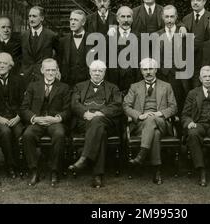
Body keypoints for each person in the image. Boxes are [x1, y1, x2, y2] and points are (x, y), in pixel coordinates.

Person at [68, 60, 123, 188]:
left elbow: (117, 106)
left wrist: (101, 113)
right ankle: (97, 175)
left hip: (105, 120)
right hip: (84, 121)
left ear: (104, 73)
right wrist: (85, 113)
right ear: (89, 72)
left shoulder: (113, 87)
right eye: (94, 71)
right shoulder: (79, 86)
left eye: (100, 71)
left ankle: (84, 158)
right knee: (100, 132)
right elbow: (74, 104)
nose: (97, 73)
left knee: (98, 122)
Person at [123, 58, 177, 185]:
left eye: (151, 69)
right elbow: (126, 106)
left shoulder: (166, 86)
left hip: (161, 121)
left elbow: (174, 107)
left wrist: (160, 113)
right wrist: (139, 115)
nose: (148, 72)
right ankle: (157, 170)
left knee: (152, 119)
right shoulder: (134, 87)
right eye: (145, 69)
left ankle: (141, 154)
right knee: (155, 133)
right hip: (140, 124)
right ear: (141, 71)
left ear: (156, 70)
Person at [20, 58, 70, 187]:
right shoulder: (33, 86)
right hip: (37, 121)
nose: (50, 72)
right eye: (48, 70)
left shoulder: (64, 87)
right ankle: (34, 171)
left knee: (59, 134)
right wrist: (35, 118)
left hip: (55, 122)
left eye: (53, 70)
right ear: (42, 70)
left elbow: (68, 110)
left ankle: (54, 171)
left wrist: (57, 118)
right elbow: (24, 108)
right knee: (27, 135)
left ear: (57, 70)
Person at [156, 5, 189, 112]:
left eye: (171, 16)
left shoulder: (184, 33)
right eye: (166, 17)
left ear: (176, 17)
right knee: (164, 105)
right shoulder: (157, 35)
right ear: (162, 17)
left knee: (179, 105)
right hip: (162, 76)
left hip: (179, 77)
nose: (169, 20)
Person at [106, 6, 141, 96]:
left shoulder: (139, 37)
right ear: (117, 19)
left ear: (132, 19)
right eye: (123, 16)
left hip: (133, 82)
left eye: (128, 17)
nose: (126, 20)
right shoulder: (109, 36)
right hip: (113, 82)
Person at [21, 6, 59, 86]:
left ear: (42, 18)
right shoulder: (23, 35)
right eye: (30, 16)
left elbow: (59, 55)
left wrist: (55, 69)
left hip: (44, 76)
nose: (31, 19)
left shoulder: (51, 35)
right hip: (26, 76)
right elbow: (19, 56)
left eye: (34, 16)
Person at [58, 10, 92, 88]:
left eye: (76, 20)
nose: (72, 22)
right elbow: (59, 61)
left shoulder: (93, 40)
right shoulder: (63, 41)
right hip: (68, 84)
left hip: (87, 83)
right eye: (71, 19)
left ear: (83, 22)